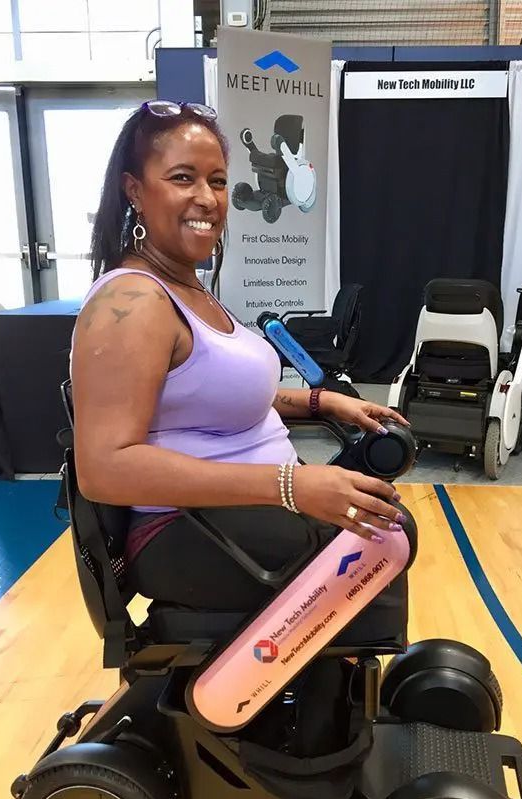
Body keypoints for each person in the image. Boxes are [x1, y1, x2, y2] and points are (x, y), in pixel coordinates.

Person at [71, 100, 413, 616]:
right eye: (183, 178)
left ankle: (319, 688)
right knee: (382, 545)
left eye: (218, 181)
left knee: (390, 526)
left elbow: (211, 395)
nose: (207, 199)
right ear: (134, 191)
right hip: (185, 528)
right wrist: (290, 485)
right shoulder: (133, 302)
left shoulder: (186, 286)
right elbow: (104, 468)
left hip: (232, 514)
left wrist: (320, 402)